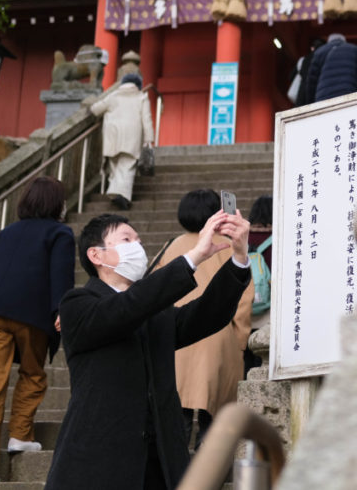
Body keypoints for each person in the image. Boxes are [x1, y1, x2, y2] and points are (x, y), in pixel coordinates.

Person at [45, 210, 251, 490]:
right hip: (99, 462)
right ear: (97, 255)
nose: (137, 246)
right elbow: (125, 309)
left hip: (159, 464)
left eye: (139, 240)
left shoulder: (154, 313)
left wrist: (239, 259)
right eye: (126, 239)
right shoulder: (77, 304)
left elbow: (206, 315)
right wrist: (194, 257)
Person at [0, 176, 76, 484]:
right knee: (32, 374)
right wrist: (60, 311)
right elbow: (61, 275)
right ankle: (20, 435)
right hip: (32, 316)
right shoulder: (60, 233)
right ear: (57, 204)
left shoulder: (6, 233)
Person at [152, 190, 254, 450]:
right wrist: (240, 341)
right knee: (214, 414)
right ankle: (208, 471)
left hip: (178, 338)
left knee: (179, 410)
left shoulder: (172, 245)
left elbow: (153, 291)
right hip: (218, 335)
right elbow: (243, 299)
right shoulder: (229, 245)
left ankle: (177, 471)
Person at [90, 72, 154, 210]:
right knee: (127, 167)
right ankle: (122, 195)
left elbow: (95, 110)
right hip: (132, 137)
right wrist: (149, 139)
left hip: (112, 137)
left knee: (114, 166)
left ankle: (115, 193)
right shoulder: (141, 97)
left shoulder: (113, 96)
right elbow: (146, 120)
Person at [244, 194, 273, 375]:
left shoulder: (241, 237)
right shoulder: (278, 239)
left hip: (243, 309)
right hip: (267, 310)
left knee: (245, 356)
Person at [304, 33, 357, 103]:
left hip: (323, 97)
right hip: (349, 94)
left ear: (329, 41)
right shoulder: (356, 50)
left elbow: (311, 82)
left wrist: (310, 103)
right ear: (344, 40)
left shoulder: (319, 52)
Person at [290, 37, 325, 106]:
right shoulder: (324, 59)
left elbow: (291, 77)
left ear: (312, 48)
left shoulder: (303, 60)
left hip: (302, 95)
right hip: (318, 94)